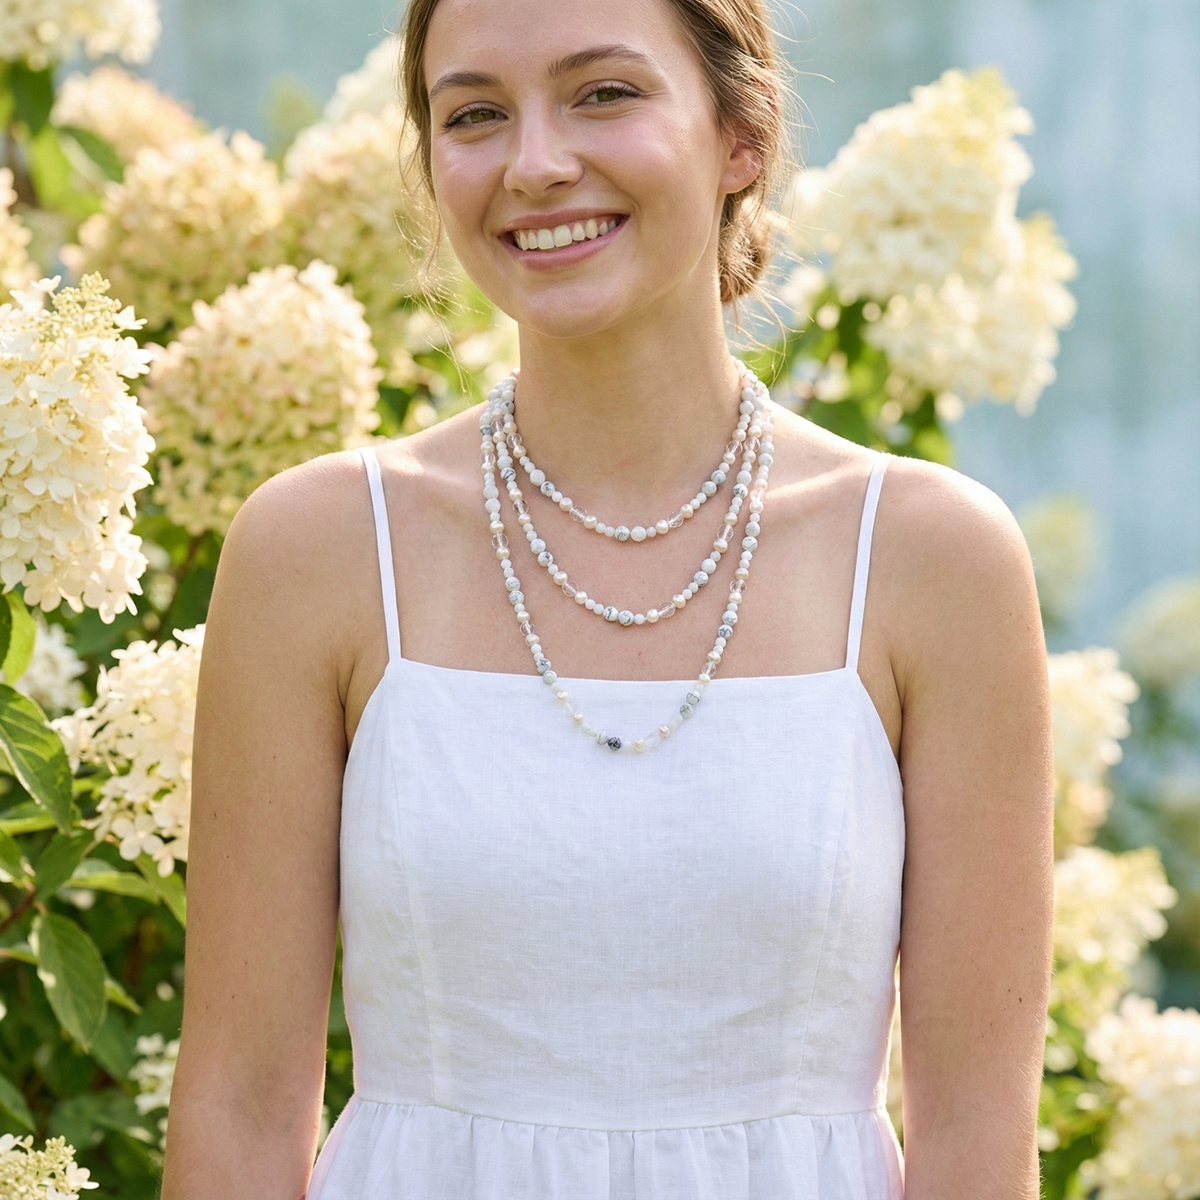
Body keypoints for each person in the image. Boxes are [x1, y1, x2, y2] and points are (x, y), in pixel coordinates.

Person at [159, 0, 1054, 1195]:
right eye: (474, 113)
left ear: (742, 134)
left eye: (604, 93)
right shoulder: (315, 552)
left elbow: (977, 1133)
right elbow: (237, 1104)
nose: (535, 164)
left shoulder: (937, 561)